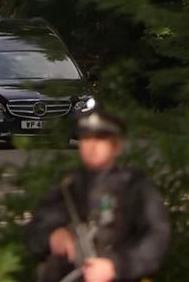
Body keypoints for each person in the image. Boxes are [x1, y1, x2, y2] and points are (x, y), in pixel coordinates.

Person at [25, 110, 170, 282]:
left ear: (116, 146)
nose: (92, 146)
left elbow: (157, 237)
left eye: (100, 139)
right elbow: (33, 231)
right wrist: (52, 237)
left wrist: (115, 266)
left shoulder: (135, 187)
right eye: (86, 138)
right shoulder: (68, 186)